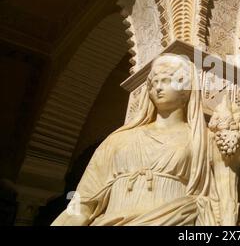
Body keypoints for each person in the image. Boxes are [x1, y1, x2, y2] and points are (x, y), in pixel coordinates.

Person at [51, 54, 220, 226]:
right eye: (154, 83)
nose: (158, 88)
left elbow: (217, 197)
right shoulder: (118, 139)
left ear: (186, 89)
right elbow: (84, 198)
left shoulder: (202, 139)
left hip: (175, 221)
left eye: (166, 81)